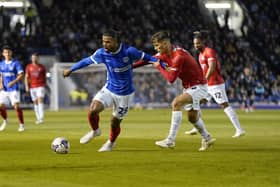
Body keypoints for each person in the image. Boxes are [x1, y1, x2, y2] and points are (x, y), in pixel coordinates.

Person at [63, 29, 165, 152]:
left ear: (116, 42)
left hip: (125, 95)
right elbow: (86, 61)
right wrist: (71, 69)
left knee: (114, 122)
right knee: (93, 110)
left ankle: (111, 143)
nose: (104, 44)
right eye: (103, 41)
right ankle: (95, 131)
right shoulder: (102, 53)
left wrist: (161, 64)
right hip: (109, 88)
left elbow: (148, 58)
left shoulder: (129, 51)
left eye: (108, 42)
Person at [134, 31, 215, 151]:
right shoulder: (163, 54)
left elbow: (171, 79)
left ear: (166, 43)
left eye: (158, 45)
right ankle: (207, 138)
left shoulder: (179, 56)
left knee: (176, 103)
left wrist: (159, 66)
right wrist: (127, 67)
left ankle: (170, 140)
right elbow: (146, 60)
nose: (156, 48)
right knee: (192, 118)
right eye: (155, 46)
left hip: (199, 86)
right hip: (189, 87)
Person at [185, 31, 245, 138]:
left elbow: (212, 68)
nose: (196, 45)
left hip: (215, 84)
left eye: (198, 43)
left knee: (224, 105)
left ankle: (239, 129)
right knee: (196, 101)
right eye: (194, 44)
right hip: (207, 85)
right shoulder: (200, 55)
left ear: (203, 42)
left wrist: (204, 79)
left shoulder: (209, 51)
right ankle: (196, 126)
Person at [0, 45, 25, 132]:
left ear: (11, 53)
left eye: (9, 52)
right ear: (3, 54)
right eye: (5, 52)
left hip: (14, 88)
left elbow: (21, 75)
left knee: (16, 107)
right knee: (0, 106)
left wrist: (13, 82)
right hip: (4, 89)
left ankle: (21, 125)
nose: (7, 54)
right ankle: (5, 120)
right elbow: (1, 75)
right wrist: (0, 84)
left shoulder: (16, 63)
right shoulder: (1, 64)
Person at [24, 53, 46, 124]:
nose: (34, 59)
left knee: (40, 100)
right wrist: (26, 86)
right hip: (32, 87)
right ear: (31, 58)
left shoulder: (42, 67)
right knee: (35, 102)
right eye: (33, 57)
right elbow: (26, 77)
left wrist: (44, 85)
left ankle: (41, 118)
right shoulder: (28, 67)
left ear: (38, 58)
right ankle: (38, 118)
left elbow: (44, 77)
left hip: (40, 86)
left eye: (35, 57)